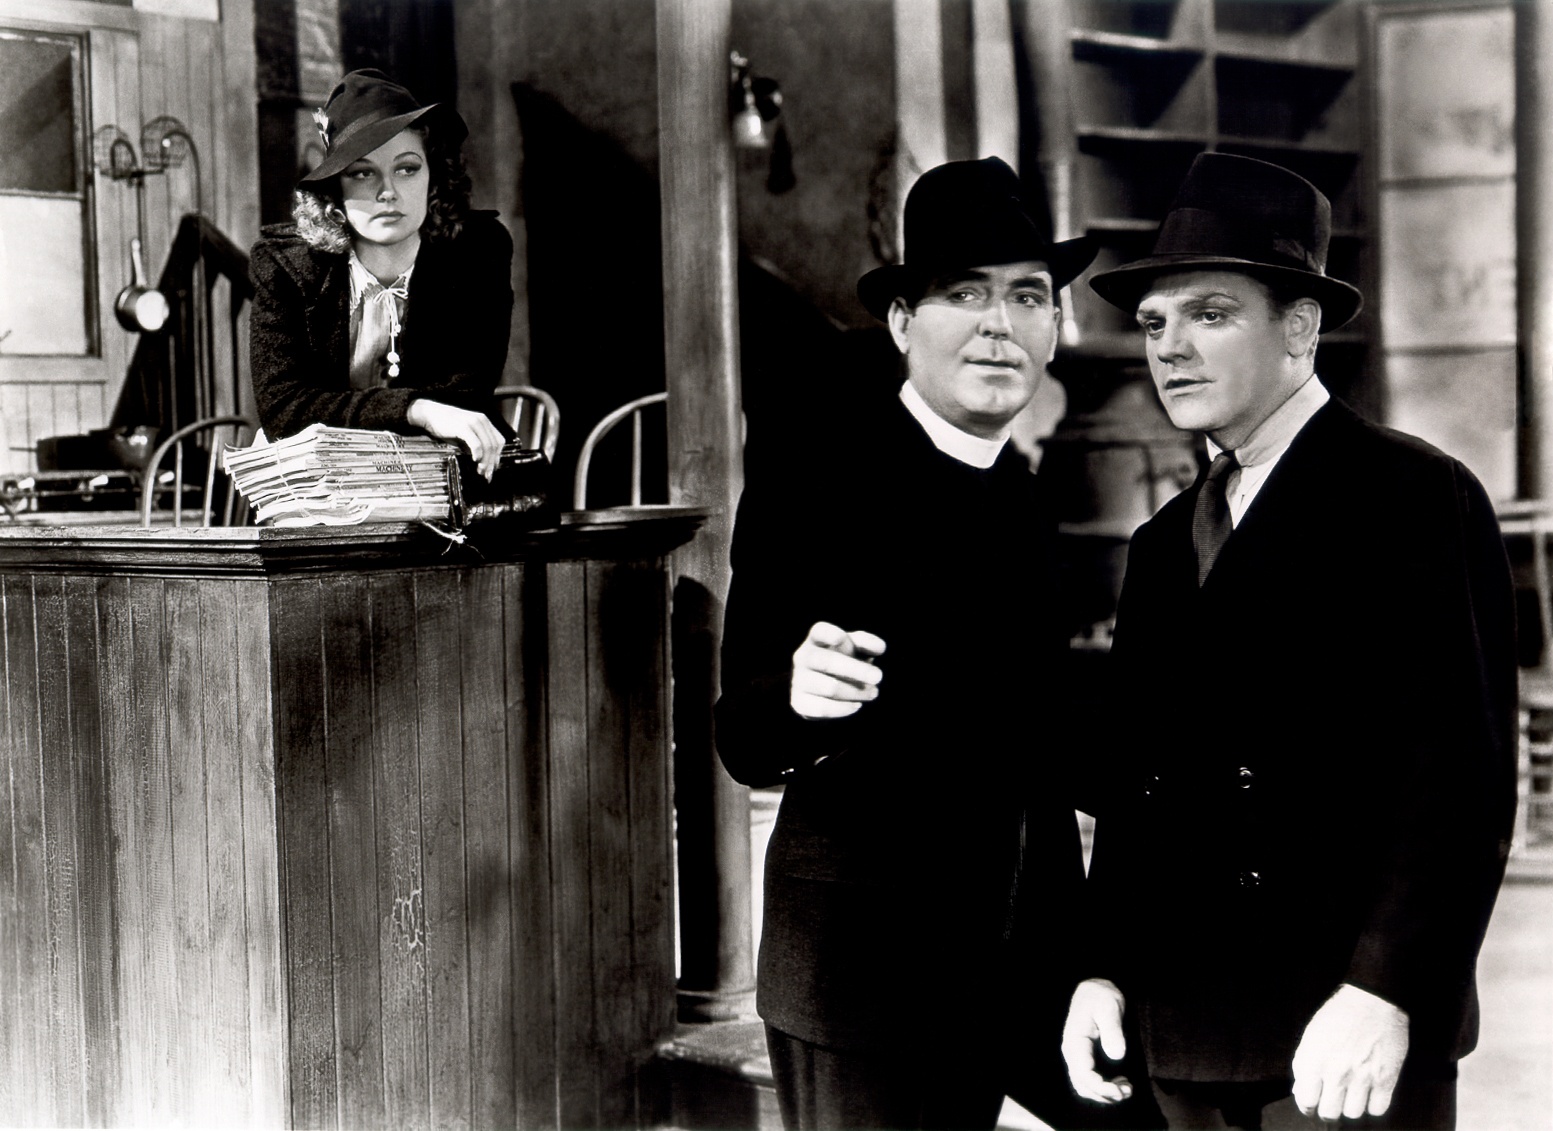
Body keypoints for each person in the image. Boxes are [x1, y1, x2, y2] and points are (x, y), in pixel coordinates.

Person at [1060, 153, 1518, 1130]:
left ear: (1299, 328)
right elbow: (1137, 792)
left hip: (1339, 1038)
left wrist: (1383, 988)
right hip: (1179, 1032)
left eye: (1208, 314)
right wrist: (1100, 967)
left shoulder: (1412, 497)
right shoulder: (1160, 544)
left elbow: (1461, 780)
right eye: (1153, 323)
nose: (1169, 348)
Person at [716, 157, 1153, 1131]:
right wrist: (797, 699)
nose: (1000, 324)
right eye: (965, 294)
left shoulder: (1017, 494)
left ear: (1052, 327)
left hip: (1010, 958)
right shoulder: (819, 478)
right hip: (860, 978)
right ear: (902, 322)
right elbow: (741, 735)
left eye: (1027, 296)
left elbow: (1036, 744)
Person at [250, 69, 511, 480]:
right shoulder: (284, 267)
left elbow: (466, 393)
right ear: (335, 190)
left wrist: (338, 409)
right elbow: (284, 409)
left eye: (407, 169)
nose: (388, 192)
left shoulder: (479, 253)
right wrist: (418, 410)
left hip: (438, 473)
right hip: (320, 482)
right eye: (363, 172)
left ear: (432, 176)